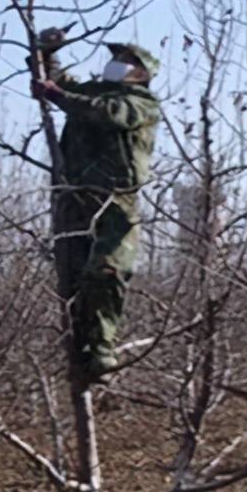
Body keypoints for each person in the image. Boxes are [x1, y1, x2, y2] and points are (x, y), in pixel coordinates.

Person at [29, 29, 162, 379]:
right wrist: (46, 52)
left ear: (141, 73)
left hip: (115, 200)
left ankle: (103, 348)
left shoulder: (142, 102)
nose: (116, 65)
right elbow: (54, 81)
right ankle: (80, 353)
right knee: (72, 277)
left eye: (125, 61)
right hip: (75, 197)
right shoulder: (91, 92)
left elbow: (109, 114)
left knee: (106, 271)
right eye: (115, 59)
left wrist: (59, 96)